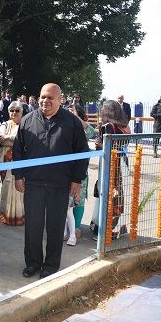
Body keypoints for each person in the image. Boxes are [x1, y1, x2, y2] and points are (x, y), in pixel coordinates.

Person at [13, 83, 89, 279]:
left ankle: (51, 266)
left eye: (50, 97)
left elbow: (82, 152)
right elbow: (18, 151)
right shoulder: (27, 120)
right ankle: (32, 263)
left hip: (60, 183)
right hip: (34, 182)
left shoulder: (72, 122)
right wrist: (18, 175)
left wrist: (77, 179)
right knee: (33, 227)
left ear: (59, 100)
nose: (45, 101)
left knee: (55, 227)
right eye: (42, 97)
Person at [92, 100, 131, 240]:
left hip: (110, 162)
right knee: (119, 194)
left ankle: (107, 230)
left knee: (108, 193)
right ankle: (119, 227)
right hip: (123, 161)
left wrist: (98, 144)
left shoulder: (108, 126)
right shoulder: (125, 125)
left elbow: (106, 146)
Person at [63, 104, 95, 246]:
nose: (69, 113)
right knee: (65, 202)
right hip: (64, 170)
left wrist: (75, 117)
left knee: (78, 199)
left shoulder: (82, 128)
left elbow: (91, 131)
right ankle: (64, 229)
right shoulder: (63, 125)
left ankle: (76, 228)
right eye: (67, 111)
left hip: (79, 170)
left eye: (72, 111)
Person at [0, 101, 25, 226]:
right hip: (4, 161)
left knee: (18, 189)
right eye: (11, 110)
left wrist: (8, 138)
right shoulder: (5, 124)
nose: (14, 113)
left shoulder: (25, 125)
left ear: (22, 112)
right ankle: (6, 214)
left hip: (19, 161)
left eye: (17, 110)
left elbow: (23, 141)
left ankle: (19, 216)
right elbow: (0, 139)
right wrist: (13, 140)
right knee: (6, 187)